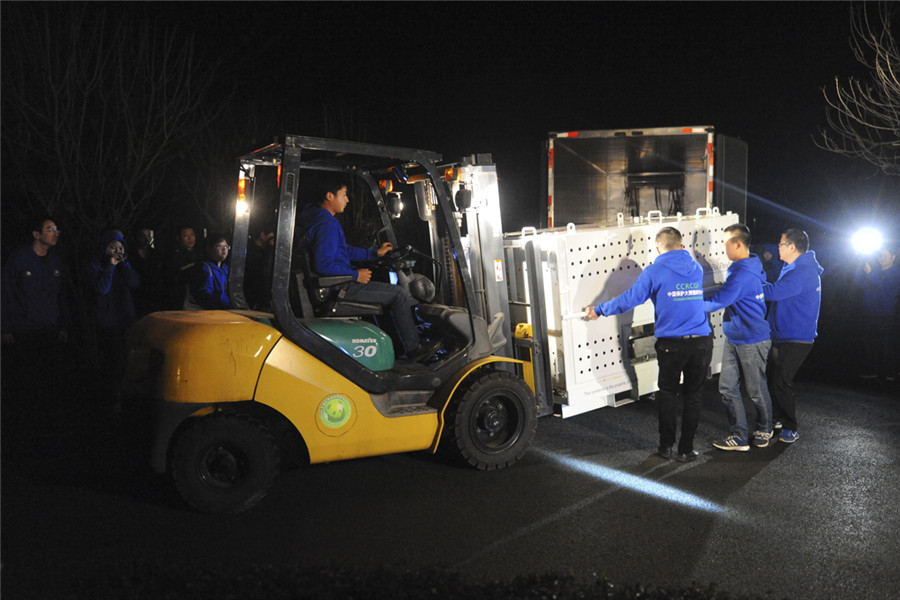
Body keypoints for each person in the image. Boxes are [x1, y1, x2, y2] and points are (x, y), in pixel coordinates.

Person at [585, 226, 711, 462]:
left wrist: (600, 309)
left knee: (668, 394)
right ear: (681, 245)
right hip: (701, 342)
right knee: (693, 396)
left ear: (657, 248)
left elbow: (630, 299)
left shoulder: (654, 270)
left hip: (671, 344)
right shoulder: (695, 267)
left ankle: (666, 447)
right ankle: (686, 450)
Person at [298, 178, 438, 362]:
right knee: (398, 294)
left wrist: (375, 254)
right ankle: (414, 349)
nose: (347, 200)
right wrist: (356, 275)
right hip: (338, 288)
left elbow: (343, 250)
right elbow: (323, 264)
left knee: (387, 295)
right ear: (329, 196)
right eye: (344, 195)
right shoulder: (327, 224)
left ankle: (395, 347)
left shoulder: (314, 217)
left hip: (334, 284)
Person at [703, 224, 773, 451]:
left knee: (755, 389)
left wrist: (686, 304)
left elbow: (720, 301)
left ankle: (765, 428)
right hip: (735, 335)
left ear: (738, 244)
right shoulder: (743, 266)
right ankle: (740, 436)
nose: (723, 248)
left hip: (752, 339)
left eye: (725, 243)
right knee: (727, 387)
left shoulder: (742, 273)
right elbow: (726, 294)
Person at [763, 228, 823, 444]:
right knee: (774, 378)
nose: (777, 247)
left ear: (792, 247)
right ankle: (778, 419)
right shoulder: (794, 267)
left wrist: (747, 286)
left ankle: (791, 426)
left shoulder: (802, 272)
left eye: (780, 244)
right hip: (785, 334)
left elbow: (772, 292)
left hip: (796, 336)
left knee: (781, 381)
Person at [86, 228, 141, 407]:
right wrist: (110, 265)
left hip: (126, 319)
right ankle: (111, 400)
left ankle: (126, 398)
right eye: (113, 247)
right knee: (113, 363)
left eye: (120, 247)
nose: (117, 251)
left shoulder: (124, 265)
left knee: (128, 361)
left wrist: (123, 264)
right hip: (108, 322)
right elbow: (101, 289)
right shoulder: (96, 265)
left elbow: (134, 282)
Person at [854, 246, 900, 383]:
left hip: (886, 315)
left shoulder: (896, 273)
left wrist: (870, 274)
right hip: (869, 313)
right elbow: (859, 284)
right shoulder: (874, 271)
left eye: (885, 256)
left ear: (893, 257)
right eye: (880, 256)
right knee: (869, 343)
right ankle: (872, 370)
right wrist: (859, 266)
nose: (881, 259)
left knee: (887, 345)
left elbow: (883, 286)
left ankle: (890, 373)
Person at [188, 234, 232, 310]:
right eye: (220, 246)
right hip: (211, 314)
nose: (224, 249)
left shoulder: (226, 269)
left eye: (226, 247)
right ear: (209, 248)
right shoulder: (203, 268)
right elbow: (205, 296)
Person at [162, 225, 199, 309]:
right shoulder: (174, 256)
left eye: (192, 234)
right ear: (179, 238)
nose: (190, 238)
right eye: (186, 236)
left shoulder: (199, 254)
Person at [129, 225, 163, 317]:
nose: (146, 239)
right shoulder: (129, 256)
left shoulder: (156, 255)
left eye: (148, 236)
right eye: (142, 236)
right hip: (136, 299)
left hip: (154, 299)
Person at [244, 226, 275, 311]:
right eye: (271, 237)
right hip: (253, 293)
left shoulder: (265, 251)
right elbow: (264, 273)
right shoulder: (251, 252)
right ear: (263, 235)